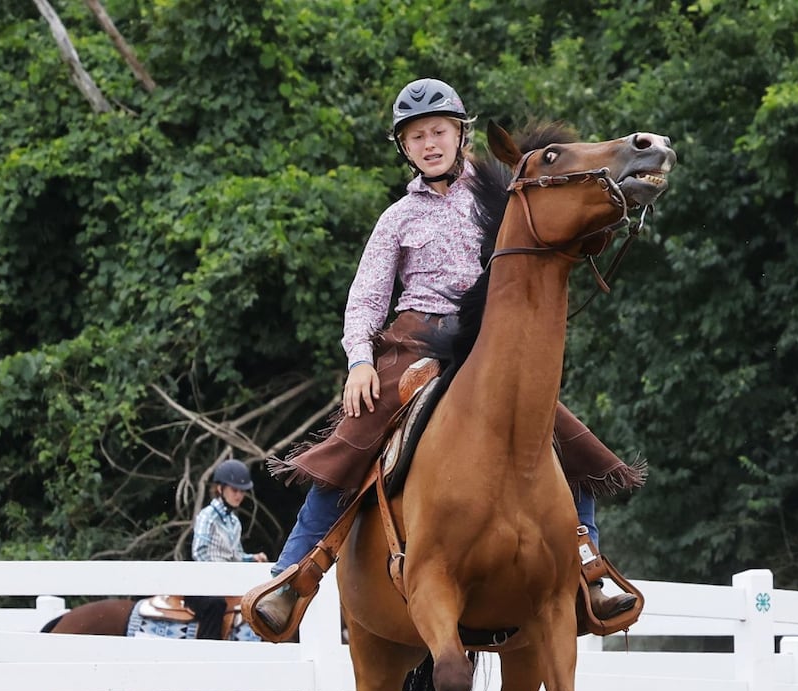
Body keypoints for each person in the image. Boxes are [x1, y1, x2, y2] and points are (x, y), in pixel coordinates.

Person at [250, 77, 640, 637]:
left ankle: (587, 563)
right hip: (415, 340)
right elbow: (365, 299)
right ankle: (295, 573)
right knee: (361, 429)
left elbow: (552, 225)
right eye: (415, 137)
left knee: (552, 426)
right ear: (404, 149)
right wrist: (360, 360)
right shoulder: (396, 220)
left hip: (490, 336)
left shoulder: (503, 192)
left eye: (438, 131)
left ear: (461, 134)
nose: (429, 143)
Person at [192, 459, 269, 564]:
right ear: (220, 488)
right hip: (211, 578)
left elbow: (236, 557)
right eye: (234, 490)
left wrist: (252, 559)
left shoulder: (234, 521)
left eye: (242, 491)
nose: (239, 496)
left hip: (228, 577)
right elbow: (199, 552)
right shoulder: (207, 516)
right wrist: (216, 574)